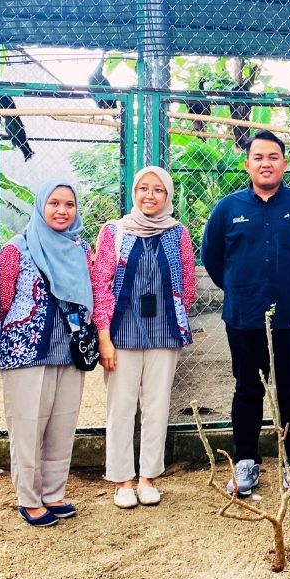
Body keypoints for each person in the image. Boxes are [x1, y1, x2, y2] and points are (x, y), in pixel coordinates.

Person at [201, 130, 290, 501]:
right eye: (258, 157)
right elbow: (212, 259)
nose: (266, 163)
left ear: (284, 163)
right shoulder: (228, 208)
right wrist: (241, 288)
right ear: (247, 164)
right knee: (247, 389)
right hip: (244, 315)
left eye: (273, 157)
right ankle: (245, 462)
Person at [91, 166, 196, 509]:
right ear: (134, 192)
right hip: (121, 333)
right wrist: (104, 336)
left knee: (156, 405)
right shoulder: (114, 231)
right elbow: (101, 285)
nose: (150, 195)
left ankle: (149, 477)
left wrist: (174, 313)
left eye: (158, 190)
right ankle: (122, 479)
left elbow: (188, 284)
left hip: (164, 332)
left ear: (167, 196)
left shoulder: (177, 232)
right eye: (144, 188)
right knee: (120, 407)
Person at [0, 180, 95, 527]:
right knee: (27, 426)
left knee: (62, 425)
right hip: (25, 351)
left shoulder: (80, 248)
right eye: (54, 203)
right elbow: (2, 301)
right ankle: (28, 497)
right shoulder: (16, 249)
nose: (62, 211)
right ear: (40, 206)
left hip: (69, 350)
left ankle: (54, 492)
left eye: (69, 204)